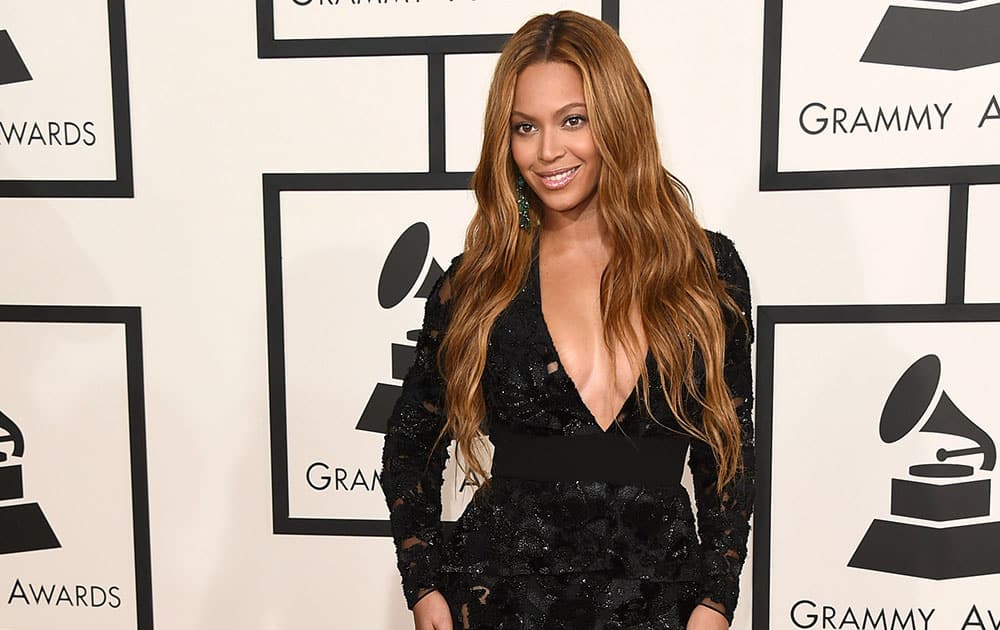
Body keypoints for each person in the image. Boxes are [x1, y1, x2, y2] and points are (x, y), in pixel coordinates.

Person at [380, 10, 754, 630]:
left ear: (618, 118)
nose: (548, 150)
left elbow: (732, 452)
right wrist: (426, 593)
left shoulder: (702, 269)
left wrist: (715, 602)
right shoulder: (478, 282)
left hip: (660, 605)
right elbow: (409, 446)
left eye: (572, 120)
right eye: (525, 127)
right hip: (502, 603)